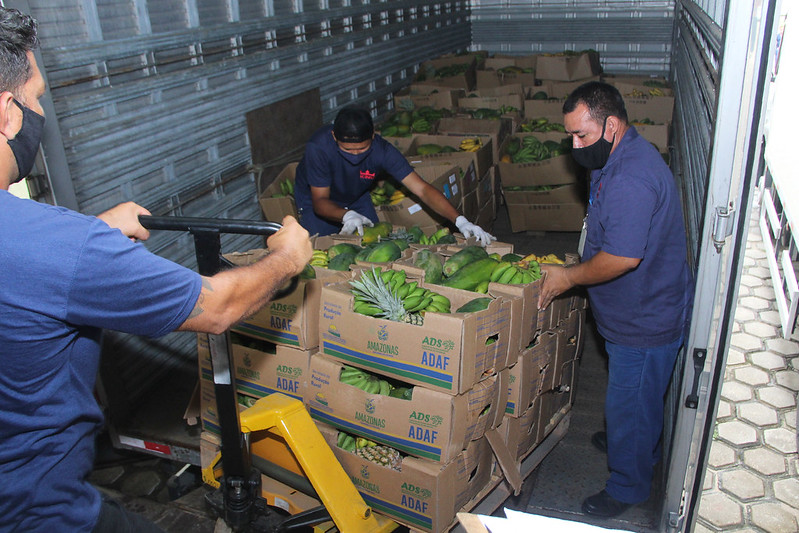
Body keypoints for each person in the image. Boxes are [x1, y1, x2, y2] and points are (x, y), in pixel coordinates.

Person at [0, 8, 312, 532]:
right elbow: (216, 307)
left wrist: (95, 230)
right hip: (36, 510)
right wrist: (288, 257)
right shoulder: (60, 246)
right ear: (7, 113)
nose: (40, 113)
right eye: (35, 97)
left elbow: (27, 266)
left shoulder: (43, 245)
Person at [537, 81, 693, 518]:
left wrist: (570, 276)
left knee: (627, 402)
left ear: (611, 124)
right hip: (629, 310)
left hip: (644, 319)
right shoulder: (614, 154)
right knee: (638, 398)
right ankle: (643, 443)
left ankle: (628, 485)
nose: (574, 145)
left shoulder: (632, 178)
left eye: (581, 136)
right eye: (570, 135)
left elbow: (623, 257)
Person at [293, 105, 495, 245]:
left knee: (374, 245)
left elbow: (422, 189)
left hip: (356, 195)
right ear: (334, 136)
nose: (354, 155)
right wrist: (346, 215)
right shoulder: (318, 148)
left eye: (361, 149)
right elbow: (320, 201)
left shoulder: (383, 151)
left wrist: (460, 220)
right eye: (347, 150)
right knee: (322, 250)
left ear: (373, 136)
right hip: (317, 200)